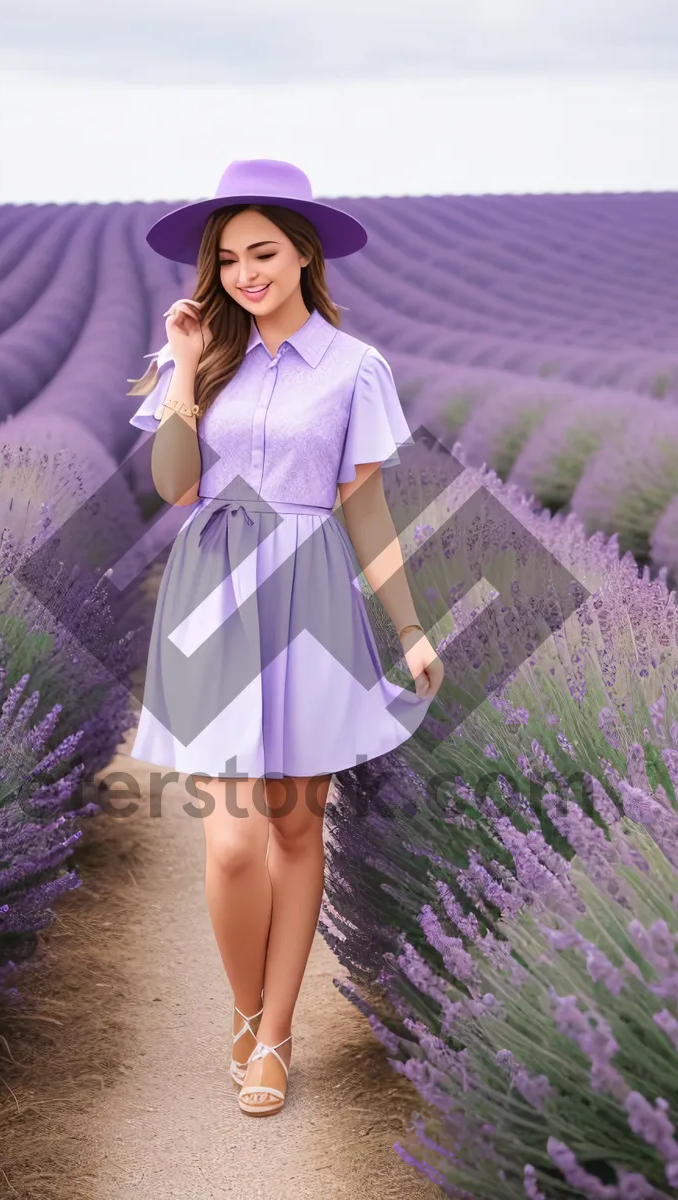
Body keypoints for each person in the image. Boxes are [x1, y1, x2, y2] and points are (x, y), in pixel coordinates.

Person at [125, 158, 444, 1117]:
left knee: (298, 824)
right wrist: (182, 368)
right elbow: (176, 487)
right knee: (230, 842)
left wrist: (412, 630)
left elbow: (368, 510)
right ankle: (242, 1010)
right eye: (227, 259)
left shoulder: (357, 368)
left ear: (305, 254)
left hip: (309, 592)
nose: (244, 274)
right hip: (212, 589)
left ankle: (276, 1036)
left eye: (263, 253)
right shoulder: (200, 357)